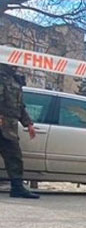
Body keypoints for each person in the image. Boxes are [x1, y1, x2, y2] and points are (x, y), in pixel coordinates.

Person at [0, 63, 39, 199]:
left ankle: (17, 188)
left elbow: (20, 106)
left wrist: (28, 124)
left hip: (9, 126)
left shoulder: (15, 81)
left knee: (14, 157)